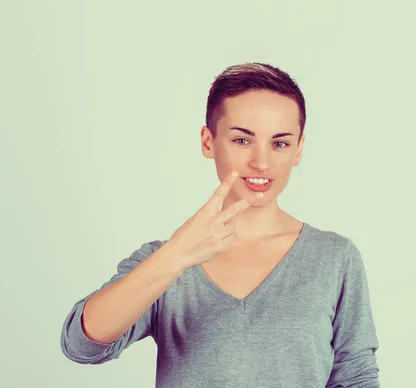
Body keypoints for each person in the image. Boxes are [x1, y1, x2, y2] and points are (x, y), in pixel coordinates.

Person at [60, 62, 380, 387]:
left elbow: (356, 377)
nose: (262, 162)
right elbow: (81, 345)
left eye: (280, 143)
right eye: (242, 140)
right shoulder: (166, 260)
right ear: (208, 141)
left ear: (299, 149)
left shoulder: (334, 258)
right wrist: (176, 257)